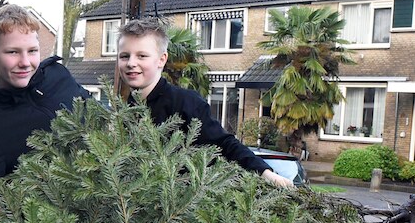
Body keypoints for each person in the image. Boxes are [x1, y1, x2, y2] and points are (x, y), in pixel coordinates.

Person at [117, 17, 294, 188]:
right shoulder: (122, 109)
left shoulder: (186, 102)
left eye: (142, 56)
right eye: (125, 56)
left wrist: (265, 173)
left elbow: (223, 144)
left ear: (162, 59)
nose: (131, 63)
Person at [0, 4, 90, 210]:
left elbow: (100, 120)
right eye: (13, 52)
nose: (25, 62)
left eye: (32, 51)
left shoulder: (58, 76)